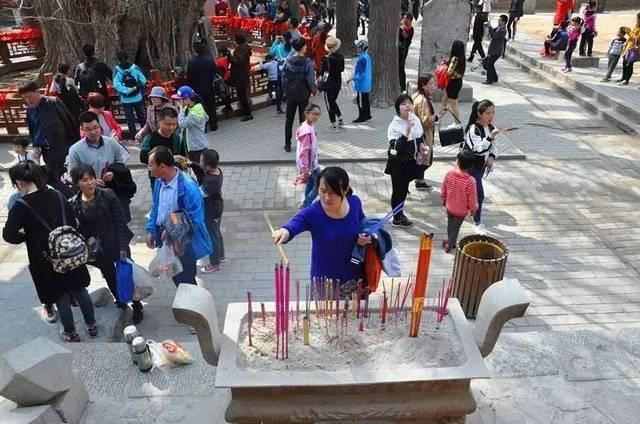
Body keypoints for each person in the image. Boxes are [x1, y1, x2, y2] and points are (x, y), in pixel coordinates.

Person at [3, 162, 96, 342]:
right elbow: (73, 222)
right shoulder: (57, 195)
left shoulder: (21, 206)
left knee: (60, 296)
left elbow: (9, 235)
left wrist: (26, 235)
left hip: (45, 260)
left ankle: (71, 333)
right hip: (71, 253)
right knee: (79, 289)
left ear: (19, 183)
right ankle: (92, 325)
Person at [271, 166, 371, 286]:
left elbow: (363, 222)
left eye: (333, 193)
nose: (327, 197)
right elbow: (295, 224)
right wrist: (284, 231)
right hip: (325, 282)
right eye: (323, 191)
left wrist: (366, 235)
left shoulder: (354, 202)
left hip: (355, 277)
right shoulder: (313, 212)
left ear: (345, 190)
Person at [68, 164, 143, 323]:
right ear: (76, 183)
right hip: (99, 249)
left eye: (91, 178)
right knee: (110, 275)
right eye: (84, 180)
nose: (90, 183)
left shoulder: (107, 195)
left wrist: (123, 246)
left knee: (126, 275)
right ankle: (121, 301)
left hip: (116, 243)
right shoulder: (74, 203)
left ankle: (137, 305)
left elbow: (121, 221)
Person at [145, 146, 213, 290]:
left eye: (151, 164)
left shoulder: (188, 187)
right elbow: (156, 206)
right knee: (175, 275)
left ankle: (192, 302)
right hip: (164, 238)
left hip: (183, 243)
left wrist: (173, 233)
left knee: (187, 280)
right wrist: (151, 229)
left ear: (162, 166)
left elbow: (196, 219)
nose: (148, 168)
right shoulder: (159, 182)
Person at [69, 111, 133, 217]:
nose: (93, 132)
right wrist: (91, 181)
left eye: (95, 127)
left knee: (120, 220)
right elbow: (73, 175)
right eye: (88, 129)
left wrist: (113, 173)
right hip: (90, 195)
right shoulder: (75, 150)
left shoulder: (112, 143)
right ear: (82, 130)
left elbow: (121, 164)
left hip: (113, 190)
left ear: (100, 126)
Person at [20, 81, 78, 185]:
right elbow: (32, 130)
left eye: (30, 96)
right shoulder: (30, 110)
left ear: (37, 91)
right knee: (55, 177)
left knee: (69, 174)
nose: (28, 100)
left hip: (63, 146)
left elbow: (68, 121)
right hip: (47, 151)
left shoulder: (53, 102)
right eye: (25, 98)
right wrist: (35, 146)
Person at [384, 94, 428, 228]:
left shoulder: (415, 119)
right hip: (398, 163)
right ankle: (397, 218)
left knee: (403, 189)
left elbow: (420, 137)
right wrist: (407, 131)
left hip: (411, 162)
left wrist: (422, 146)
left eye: (409, 103)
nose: (407, 106)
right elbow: (396, 147)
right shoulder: (394, 125)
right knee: (398, 190)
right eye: (403, 104)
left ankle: (400, 214)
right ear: (398, 108)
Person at [462, 99, 500, 233]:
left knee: (471, 191)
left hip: (481, 166)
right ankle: (477, 221)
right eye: (488, 113)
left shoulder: (491, 127)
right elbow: (477, 149)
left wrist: (492, 157)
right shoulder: (474, 129)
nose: (491, 116)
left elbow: (494, 146)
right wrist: (490, 137)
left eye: (493, 112)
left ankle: (467, 208)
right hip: (471, 166)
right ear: (479, 114)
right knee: (479, 194)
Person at [282, 37, 317, 152]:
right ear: (302, 48)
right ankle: (303, 143)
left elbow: (284, 77)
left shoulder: (288, 61)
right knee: (303, 120)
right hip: (303, 93)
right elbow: (310, 79)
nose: (306, 47)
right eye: (305, 45)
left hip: (291, 93)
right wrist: (314, 90)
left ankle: (287, 144)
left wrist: (285, 90)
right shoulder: (307, 62)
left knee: (289, 120)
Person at [440, 150, 478, 253]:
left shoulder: (450, 174)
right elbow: (472, 199)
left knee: (450, 224)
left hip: (449, 206)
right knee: (456, 228)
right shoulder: (470, 181)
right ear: (471, 166)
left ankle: (450, 241)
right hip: (461, 211)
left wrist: (444, 198)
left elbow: (444, 188)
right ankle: (450, 244)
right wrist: (473, 210)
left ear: (458, 161)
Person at [140, 107, 185, 189]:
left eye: (174, 124)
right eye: (168, 124)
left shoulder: (178, 138)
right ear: (159, 121)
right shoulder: (150, 138)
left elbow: (183, 156)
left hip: (174, 180)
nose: (171, 127)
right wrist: (171, 158)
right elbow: (143, 157)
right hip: (157, 180)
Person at [199, 149, 225, 273]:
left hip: (211, 211)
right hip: (217, 207)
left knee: (212, 236)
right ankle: (221, 255)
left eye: (201, 161)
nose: (199, 163)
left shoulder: (211, 181)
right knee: (216, 232)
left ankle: (215, 263)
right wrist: (191, 164)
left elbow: (199, 193)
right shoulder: (217, 171)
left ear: (208, 166)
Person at [411, 75, 439, 190]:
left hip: (418, 134)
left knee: (421, 158)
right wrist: (436, 117)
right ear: (423, 85)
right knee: (426, 160)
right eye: (431, 84)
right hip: (424, 134)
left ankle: (419, 180)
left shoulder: (417, 96)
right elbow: (426, 120)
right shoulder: (423, 100)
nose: (434, 86)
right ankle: (416, 179)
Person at [113, 51, 148, 141]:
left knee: (130, 119)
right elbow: (143, 80)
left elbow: (116, 84)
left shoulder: (117, 70)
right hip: (137, 97)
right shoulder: (135, 67)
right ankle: (145, 135)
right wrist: (137, 88)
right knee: (141, 117)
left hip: (125, 99)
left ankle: (134, 137)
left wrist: (127, 90)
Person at [173, 86, 209, 168]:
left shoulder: (197, 111)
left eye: (180, 100)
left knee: (200, 170)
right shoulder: (189, 108)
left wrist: (180, 108)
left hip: (197, 148)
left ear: (187, 100)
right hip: (192, 147)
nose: (178, 102)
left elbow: (182, 123)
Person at [295, 103, 322, 208]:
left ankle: (306, 204)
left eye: (318, 114)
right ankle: (306, 205)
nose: (316, 117)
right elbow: (304, 151)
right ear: (306, 113)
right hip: (311, 165)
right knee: (319, 184)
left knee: (310, 184)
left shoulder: (307, 126)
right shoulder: (307, 131)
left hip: (311, 163)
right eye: (314, 114)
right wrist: (305, 168)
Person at [187, 42, 218, 132]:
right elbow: (215, 72)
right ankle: (213, 125)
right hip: (209, 86)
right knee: (211, 106)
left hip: (197, 89)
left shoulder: (192, 62)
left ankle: (203, 126)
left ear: (195, 50)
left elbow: (189, 76)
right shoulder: (209, 60)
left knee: (200, 108)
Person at [320, 36, 344, 132]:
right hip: (338, 81)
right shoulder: (341, 56)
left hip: (330, 82)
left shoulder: (327, 58)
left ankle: (333, 124)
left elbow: (324, 72)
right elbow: (342, 69)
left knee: (330, 103)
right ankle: (340, 118)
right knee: (333, 101)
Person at [229, 32, 254, 122]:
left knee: (242, 95)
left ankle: (248, 113)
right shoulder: (245, 47)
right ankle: (245, 111)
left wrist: (230, 57)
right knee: (242, 94)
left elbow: (238, 61)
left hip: (240, 75)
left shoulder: (240, 50)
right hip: (244, 74)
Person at [347, 39, 372, 123]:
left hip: (362, 84)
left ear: (361, 48)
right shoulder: (367, 56)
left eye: (358, 47)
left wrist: (352, 78)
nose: (356, 48)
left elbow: (361, 74)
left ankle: (362, 117)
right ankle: (367, 115)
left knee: (360, 101)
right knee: (365, 100)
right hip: (367, 83)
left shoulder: (361, 59)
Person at [442, 40, 466, 122]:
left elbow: (449, 72)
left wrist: (444, 67)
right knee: (445, 99)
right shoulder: (462, 58)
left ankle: (457, 122)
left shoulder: (455, 59)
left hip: (453, 83)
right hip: (458, 82)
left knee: (453, 104)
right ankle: (440, 117)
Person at [484, 14, 508, 85]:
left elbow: (493, 36)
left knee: (489, 64)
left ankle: (489, 79)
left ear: (503, 22)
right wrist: (488, 26)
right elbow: (491, 32)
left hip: (496, 51)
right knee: (491, 64)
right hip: (493, 49)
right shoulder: (499, 28)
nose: (498, 21)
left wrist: (490, 26)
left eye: (500, 20)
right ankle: (494, 77)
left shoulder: (502, 30)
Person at [618, 13, 640, 86]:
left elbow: (637, 38)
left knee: (630, 63)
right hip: (629, 48)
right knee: (625, 63)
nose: (636, 20)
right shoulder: (636, 26)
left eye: (637, 18)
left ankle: (626, 80)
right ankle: (623, 78)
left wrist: (629, 32)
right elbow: (631, 37)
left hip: (635, 50)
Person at [398, 13, 414, 93]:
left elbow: (405, 36)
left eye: (405, 18)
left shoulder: (410, 29)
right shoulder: (402, 27)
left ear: (409, 20)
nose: (403, 19)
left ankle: (402, 86)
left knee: (401, 68)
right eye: (403, 18)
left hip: (403, 52)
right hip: (398, 50)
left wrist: (400, 29)